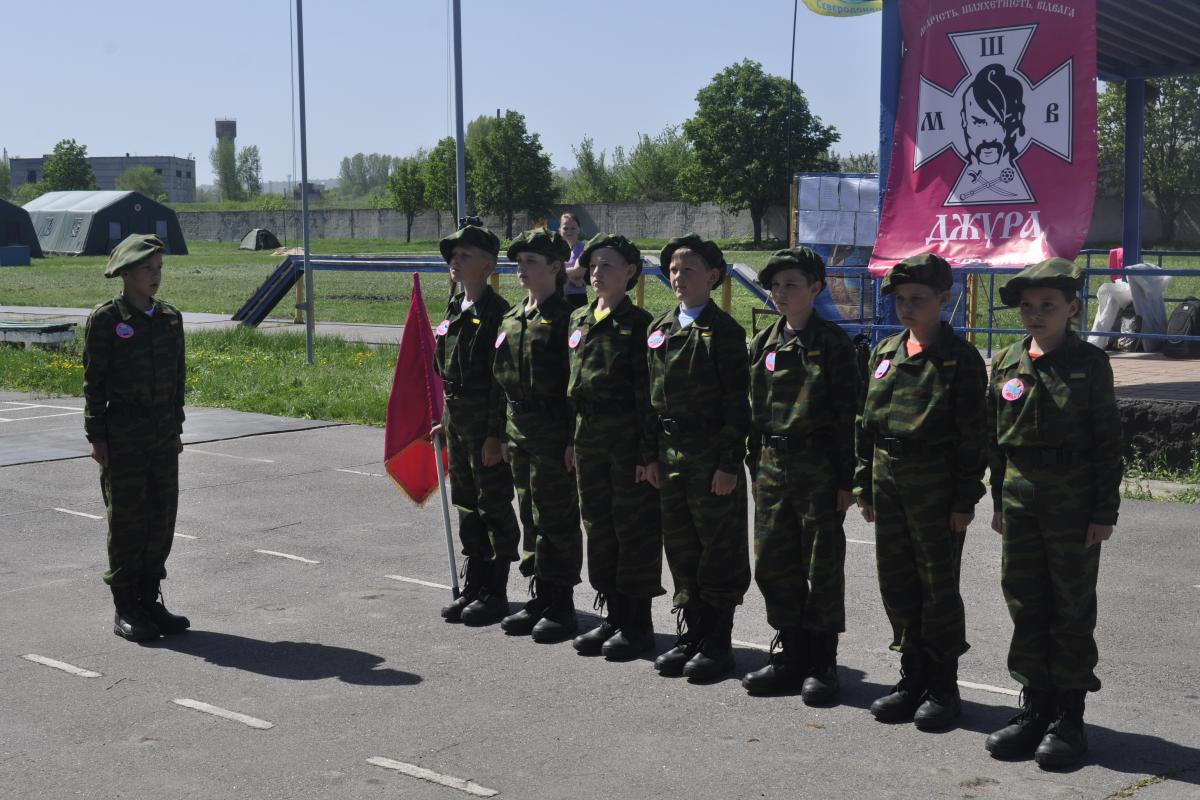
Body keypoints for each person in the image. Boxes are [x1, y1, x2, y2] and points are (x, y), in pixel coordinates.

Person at [984, 257, 1121, 769]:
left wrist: (1103, 510)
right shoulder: (1005, 361)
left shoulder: (1089, 363)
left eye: (1047, 306)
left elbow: (1109, 444)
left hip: (1073, 502)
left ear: (1071, 308)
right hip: (1020, 500)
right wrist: (999, 500)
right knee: (1025, 602)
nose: (1035, 314)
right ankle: (1035, 706)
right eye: (1027, 307)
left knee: (1070, 607)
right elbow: (994, 440)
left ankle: (1069, 716)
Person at [854, 254, 988, 730]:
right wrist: (863, 484)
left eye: (918, 299)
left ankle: (942, 685)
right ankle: (911, 676)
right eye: (900, 299)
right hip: (888, 484)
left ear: (944, 300)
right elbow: (865, 423)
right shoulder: (885, 352)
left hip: (935, 488)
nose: (907, 307)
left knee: (938, 589)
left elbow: (974, 436)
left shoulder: (960, 359)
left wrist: (963, 500)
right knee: (896, 583)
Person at [741, 248, 859, 704]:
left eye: (792, 284)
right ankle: (790, 653)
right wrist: (754, 466)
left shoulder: (832, 344)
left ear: (815, 288)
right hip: (771, 466)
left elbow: (849, 415)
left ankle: (822, 662)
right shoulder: (763, 343)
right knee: (774, 562)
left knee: (822, 567)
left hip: (818, 468)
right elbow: (754, 413)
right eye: (775, 285)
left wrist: (847, 481)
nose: (781, 293)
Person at [646, 234, 751, 682]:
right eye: (672, 269)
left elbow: (736, 404)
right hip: (669, 456)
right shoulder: (661, 328)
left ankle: (717, 642)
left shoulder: (725, 332)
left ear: (712, 276)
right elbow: (649, 400)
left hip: (710, 457)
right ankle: (690, 633)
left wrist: (729, 464)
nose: (678, 277)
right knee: (682, 547)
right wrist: (649, 455)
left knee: (718, 551)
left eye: (688, 270)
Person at [82, 234, 190, 642]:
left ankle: (150, 600)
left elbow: (178, 379)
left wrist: (176, 427)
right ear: (126, 273)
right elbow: (95, 382)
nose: (155, 276)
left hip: (163, 434)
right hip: (124, 434)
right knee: (128, 520)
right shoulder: (108, 319)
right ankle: (125, 606)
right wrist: (97, 436)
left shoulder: (169, 318)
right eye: (148, 270)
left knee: (162, 518)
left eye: (159, 269)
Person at [567, 233, 664, 661]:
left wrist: (647, 455)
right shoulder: (580, 319)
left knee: (633, 531)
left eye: (607, 265)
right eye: (592, 266)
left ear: (629, 272)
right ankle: (612, 614)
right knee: (599, 528)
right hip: (590, 440)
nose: (597, 273)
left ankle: (637, 623)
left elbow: (648, 396)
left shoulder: (642, 325)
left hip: (627, 442)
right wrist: (573, 440)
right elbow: (575, 389)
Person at [492, 228, 583, 643]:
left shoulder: (567, 319)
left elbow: (575, 388)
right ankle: (539, 594)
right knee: (529, 513)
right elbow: (501, 383)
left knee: (556, 517)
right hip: (520, 429)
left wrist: (571, 440)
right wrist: (503, 433)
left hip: (552, 430)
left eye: (531, 262)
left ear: (554, 267)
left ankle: (561, 604)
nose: (522, 269)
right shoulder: (511, 318)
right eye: (518, 262)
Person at [432, 222, 522, 626]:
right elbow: (447, 373)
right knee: (467, 504)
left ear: (487, 265)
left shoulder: (498, 314)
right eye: (453, 255)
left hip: (483, 426)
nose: (455, 260)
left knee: (493, 506)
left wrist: (493, 435)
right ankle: (474, 583)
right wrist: (443, 422)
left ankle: (495, 590)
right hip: (458, 422)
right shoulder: (455, 308)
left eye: (464, 255)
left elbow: (500, 382)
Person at [560, 212, 588, 309]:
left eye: (573, 228)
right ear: (560, 230)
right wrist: (572, 279)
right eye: (565, 228)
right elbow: (546, 269)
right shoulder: (557, 250)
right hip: (558, 297)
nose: (569, 231)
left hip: (577, 298)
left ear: (579, 229)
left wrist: (556, 272)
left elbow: (577, 272)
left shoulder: (584, 249)